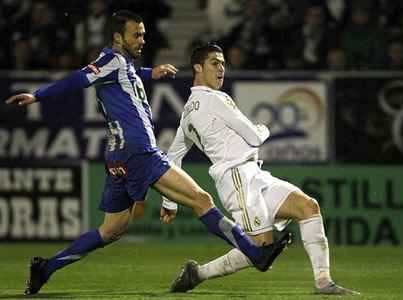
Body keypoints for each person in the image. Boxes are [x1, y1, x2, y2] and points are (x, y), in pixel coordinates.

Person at [5, 10, 291, 296]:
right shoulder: (109, 62)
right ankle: (256, 254)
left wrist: (148, 73)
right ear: (118, 37)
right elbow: (79, 80)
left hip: (117, 157)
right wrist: (38, 95)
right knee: (201, 199)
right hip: (139, 152)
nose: (143, 40)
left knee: (110, 231)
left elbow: (121, 73)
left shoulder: (121, 65)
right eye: (136, 35)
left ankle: (45, 268)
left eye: (143, 34)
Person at [165, 42, 360, 295]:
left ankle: (324, 282)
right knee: (260, 250)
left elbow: (172, 156)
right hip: (237, 178)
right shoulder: (214, 99)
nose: (221, 68)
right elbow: (255, 138)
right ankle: (197, 273)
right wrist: (263, 128)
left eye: (223, 63)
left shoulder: (188, 112)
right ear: (197, 68)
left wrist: (170, 202)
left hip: (253, 174)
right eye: (215, 63)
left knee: (307, 206)